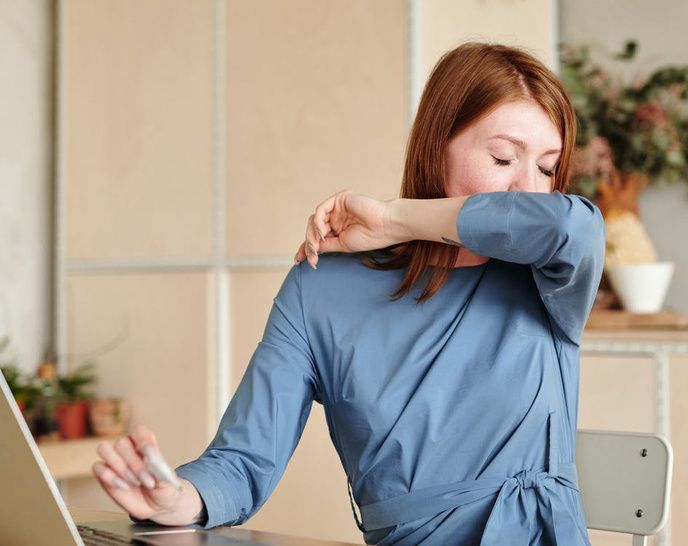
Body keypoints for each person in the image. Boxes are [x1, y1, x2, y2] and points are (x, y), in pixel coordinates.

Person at [92, 42, 605, 545]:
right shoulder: (320, 287)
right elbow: (244, 460)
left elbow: (568, 226)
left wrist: (396, 218)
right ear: (436, 146)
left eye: (546, 168)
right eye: (503, 158)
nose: (529, 190)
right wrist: (178, 501)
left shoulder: (549, 278)